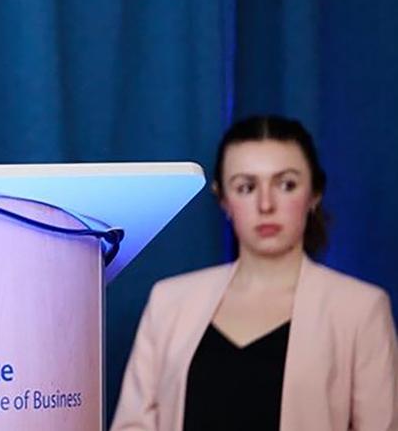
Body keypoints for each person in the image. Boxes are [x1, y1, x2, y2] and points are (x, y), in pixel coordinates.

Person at [111, 115, 398, 431]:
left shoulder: (361, 309)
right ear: (223, 199)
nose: (266, 204)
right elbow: (132, 425)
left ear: (314, 194)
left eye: (286, 184)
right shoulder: (169, 301)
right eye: (246, 187)